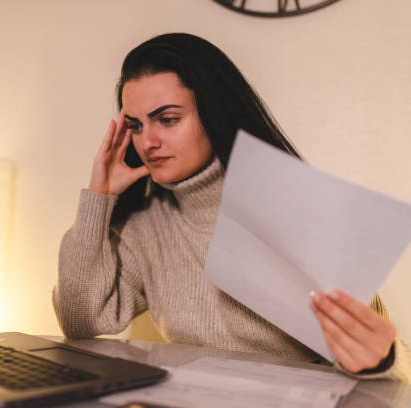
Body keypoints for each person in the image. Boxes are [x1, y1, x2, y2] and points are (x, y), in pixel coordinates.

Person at [52, 33, 410, 382]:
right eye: (136, 126)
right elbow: (81, 323)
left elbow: (379, 357)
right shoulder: (147, 225)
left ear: (212, 112)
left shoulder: (291, 202)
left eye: (168, 119)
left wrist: (382, 359)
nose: (149, 141)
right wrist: (99, 197)